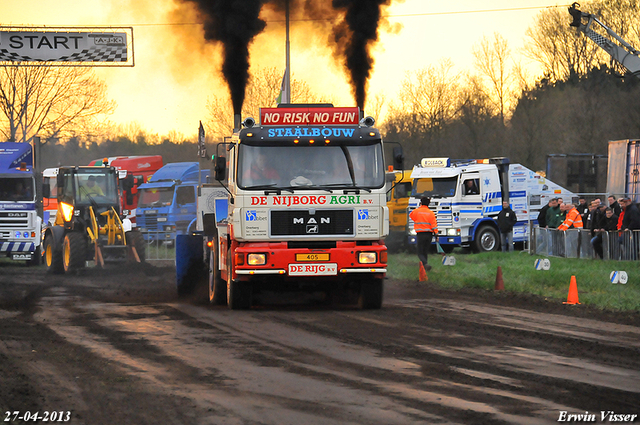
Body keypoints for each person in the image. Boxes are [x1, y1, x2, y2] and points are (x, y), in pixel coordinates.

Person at [409, 195, 438, 272]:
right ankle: (425, 267)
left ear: (421, 203)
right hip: (429, 235)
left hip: (420, 234)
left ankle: (425, 264)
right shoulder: (431, 213)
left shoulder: (416, 211)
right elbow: (434, 225)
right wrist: (436, 235)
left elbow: (411, 216)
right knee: (425, 251)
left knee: (419, 251)